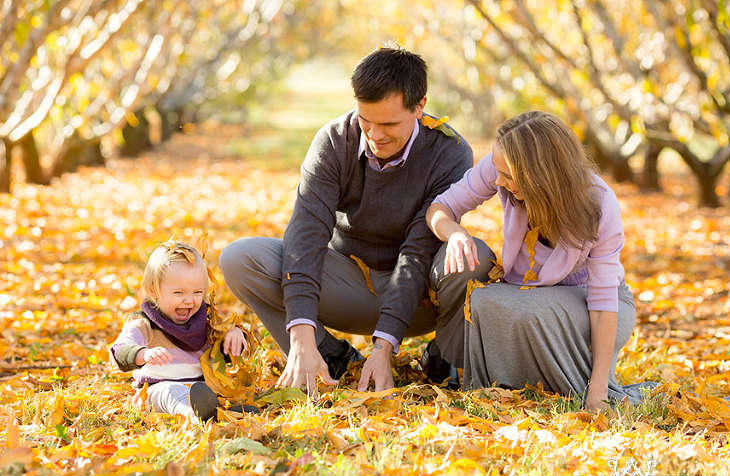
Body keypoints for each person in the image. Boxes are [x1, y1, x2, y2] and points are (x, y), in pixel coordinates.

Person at [220, 44, 494, 396]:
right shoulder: (334, 141)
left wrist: (383, 349)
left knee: (478, 258)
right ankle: (329, 355)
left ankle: (443, 358)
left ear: (420, 106)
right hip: (344, 283)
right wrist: (300, 334)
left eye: (389, 124)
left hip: (419, 295)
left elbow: (418, 249)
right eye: (366, 120)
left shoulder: (449, 151)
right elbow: (306, 234)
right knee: (239, 258)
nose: (375, 135)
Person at [426, 111, 657, 410]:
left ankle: (576, 380)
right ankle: (498, 378)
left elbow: (603, 301)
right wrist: (454, 232)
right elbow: (439, 208)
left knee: (531, 311)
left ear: (541, 175)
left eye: (508, 176)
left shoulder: (599, 201)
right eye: (498, 173)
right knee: (484, 301)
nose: (498, 181)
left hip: (594, 304)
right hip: (529, 293)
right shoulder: (500, 167)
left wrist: (598, 391)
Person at [111, 240, 256, 422]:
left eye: (197, 292)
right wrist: (143, 354)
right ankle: (194, 415)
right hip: (155, 390)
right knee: (170, 393)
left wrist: (234, 335)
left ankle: (220, 412)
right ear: (153, 291)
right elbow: (120, 350)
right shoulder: (143, 322)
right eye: (179, 293)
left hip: (199, 389)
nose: (189, 301)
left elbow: (223, 353)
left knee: (212, 391)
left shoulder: (205, 321)